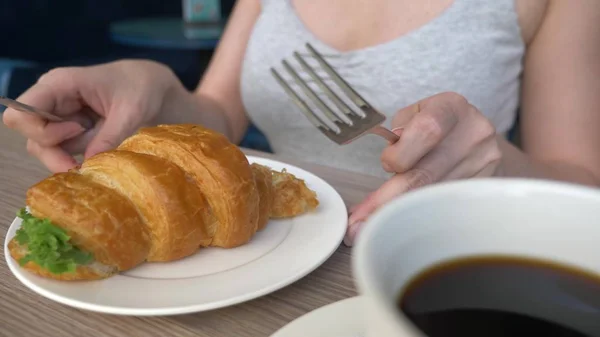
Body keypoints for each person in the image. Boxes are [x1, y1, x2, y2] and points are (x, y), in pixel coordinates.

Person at [3, 0, 600, 246]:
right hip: (267, 250)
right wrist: (158, 92)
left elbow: (584, 183)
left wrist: (491, 158)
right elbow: (217, 117)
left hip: (438, 255)